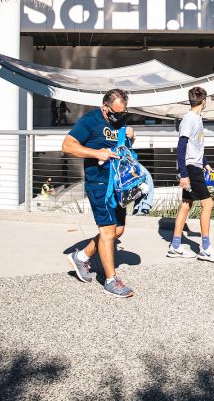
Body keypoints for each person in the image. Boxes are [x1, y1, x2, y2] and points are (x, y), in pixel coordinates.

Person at [64, 89, 138, 299]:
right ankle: (110, 280)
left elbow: (121, 147)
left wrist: (132, 136)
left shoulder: (120, 121)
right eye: (115, 112)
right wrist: (97, 153)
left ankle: (81, 256)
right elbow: (67, 146)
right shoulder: (90, 121)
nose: (119, 116)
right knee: (107, 231)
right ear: (105, 106)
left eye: (123, 112)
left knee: (119, 230)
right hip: (99, 184)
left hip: (119, 185)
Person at [167, 86, 214, 262]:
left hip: (195, 166)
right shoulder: (190, 119)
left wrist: (205, 164)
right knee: (208, 204)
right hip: (190, 169)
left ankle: (175, 246)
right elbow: (181, 147)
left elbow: (195, 147)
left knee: (186, 205)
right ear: (204, 101)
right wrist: (184, 174)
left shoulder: (196, 119)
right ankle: (205, 248)